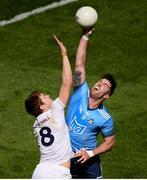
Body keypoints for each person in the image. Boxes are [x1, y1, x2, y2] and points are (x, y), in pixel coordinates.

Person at [66, 28, 117, 179]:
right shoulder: (80, 90)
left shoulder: (105, 118)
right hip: (66, 157)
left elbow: (110, 142)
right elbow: (79, 64)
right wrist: (85, 37)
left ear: (107, 95)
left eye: (105, 85)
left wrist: (90, 153)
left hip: (90, 163)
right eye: (100, 81)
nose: (100, 84)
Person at [25, 35, 73, 178]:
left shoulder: (36, 125)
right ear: (42, 106)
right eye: (44, 97)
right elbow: (67, 82)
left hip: (40, 172)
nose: (47, 95)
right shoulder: (55, 112)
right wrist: (64, 54)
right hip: (57, 173)